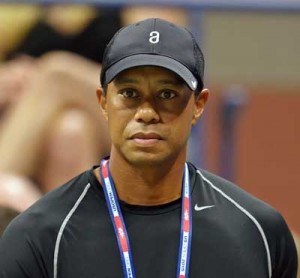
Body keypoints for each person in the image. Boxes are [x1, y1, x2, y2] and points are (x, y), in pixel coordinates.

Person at [0, 18, 297, 278]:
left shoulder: (258, 232)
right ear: (103, 102)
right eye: (129, 94)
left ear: (199, 105)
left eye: (166, 94)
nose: (146, 112)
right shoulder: (37, 236)